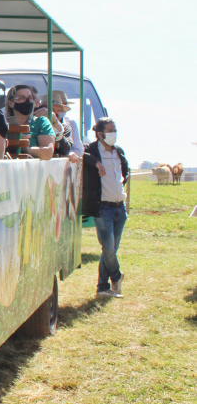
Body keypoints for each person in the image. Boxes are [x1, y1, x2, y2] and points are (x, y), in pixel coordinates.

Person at [81, 118, 129, 298]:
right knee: (108, 248)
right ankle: (116, 276)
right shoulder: (92, 150)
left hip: (119, 208)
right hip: (103, 209)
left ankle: (102, 288)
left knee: (110, 250)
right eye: (110, 130)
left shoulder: (119, 152)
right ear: (100, 134)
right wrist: (96, 162)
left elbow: (125, 172)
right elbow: (80, 156)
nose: (113, 134)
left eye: (115, 130)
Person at [3, 85, 55, 160]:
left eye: (30, 98)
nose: (28, 101)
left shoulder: (41, 122)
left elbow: (48, 152)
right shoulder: (2, 122)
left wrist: (24, 146)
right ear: (11, 103)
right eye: (22, 98)